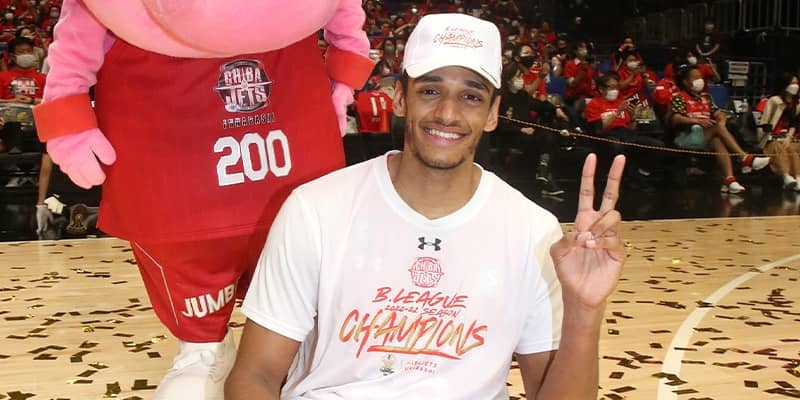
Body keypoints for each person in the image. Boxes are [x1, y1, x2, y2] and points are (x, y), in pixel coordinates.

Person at [227, 13, 627, 400]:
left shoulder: (533, 231)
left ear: (492, 114)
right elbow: (254, 376)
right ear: (401, 98)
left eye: (470, 96)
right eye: (430, 91)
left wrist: (585, 311)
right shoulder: (314, 210)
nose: (447, 114)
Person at [670, 65, 770, 194]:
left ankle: (729, 180)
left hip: (705, 136)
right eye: (695, 77)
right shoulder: (679, 97)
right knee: (717, 129)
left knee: (717, 140)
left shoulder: (706, 97)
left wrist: (721, 121)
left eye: (700, 77)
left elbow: (719, 113)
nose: (700, 80)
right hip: (687, 136)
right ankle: (745, 158)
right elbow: (675, 118)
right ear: (685, 82)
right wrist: (696, 121)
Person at [584, 72, 663, 192]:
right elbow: (599, 128)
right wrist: (617, 112)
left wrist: (633, 117)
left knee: (657, 145)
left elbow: (631, 127)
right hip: (606, 136)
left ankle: (641, 173)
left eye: (617, 87)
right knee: (619, 146)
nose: (615, 90)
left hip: (626, 134)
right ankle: (627, 177)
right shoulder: (593, 104)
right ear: (601, 89)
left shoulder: (623, 102)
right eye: (611, 87)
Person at [496, 61, 565, 195]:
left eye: (522, 76)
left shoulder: (522, 96)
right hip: (510, 134)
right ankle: (543, 175)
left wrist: (556, 109)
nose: (521, 80)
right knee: (538, 142)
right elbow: (499, 124)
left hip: (528, 132)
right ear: (508, 79)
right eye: (518, 76)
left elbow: (539, 105)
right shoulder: (501, 98)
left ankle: (543, 171)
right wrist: (520, 130)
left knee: (549, 136)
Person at [757, 73, 800, 191]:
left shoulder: (795, 103)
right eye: (793, 83)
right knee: (778, 147)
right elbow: (764, 122)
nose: (796, 86)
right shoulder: (774, 101)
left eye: (797, 83)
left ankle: (797, 177)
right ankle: (786, 176)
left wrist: (789, 137)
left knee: (793, 148)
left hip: (787, 137)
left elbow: (794, 123)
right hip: (771, 138)